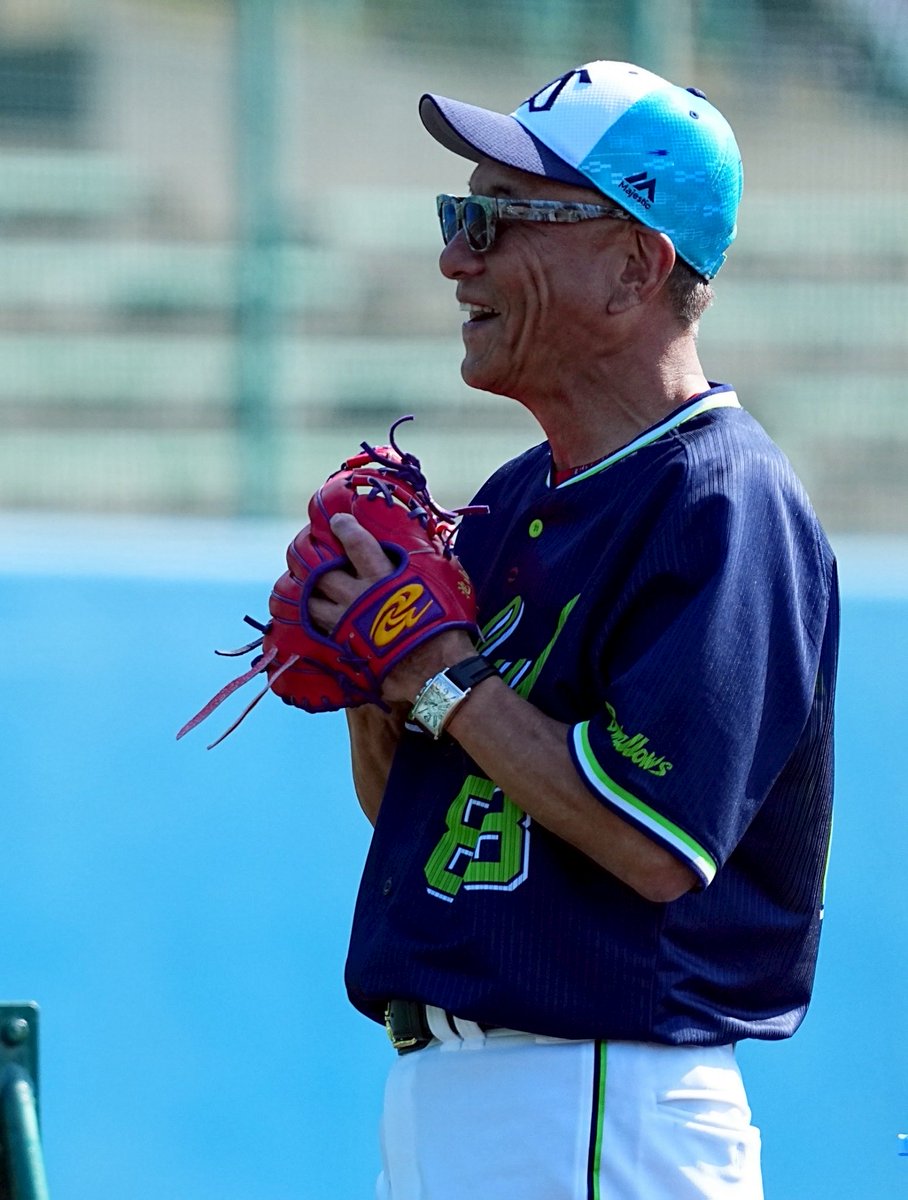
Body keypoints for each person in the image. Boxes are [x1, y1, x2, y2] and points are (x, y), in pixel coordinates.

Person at [309, 60, 839, 1199]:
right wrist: (374, 686)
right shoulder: (507, 499)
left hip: (600, 1097)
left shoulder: (720, 502)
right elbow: (438, 816)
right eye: (459, 216)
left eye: (494, 218)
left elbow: (655, 844)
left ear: (632, 266)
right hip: (462, 1092)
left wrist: (438, 673)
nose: (457, 255)